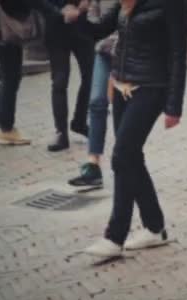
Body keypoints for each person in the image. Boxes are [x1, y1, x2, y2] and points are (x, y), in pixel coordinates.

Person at [72, 0, 187, 257]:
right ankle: (155, 227)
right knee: (131, 157)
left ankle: (115, 237)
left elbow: (179, 53)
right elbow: (98, 30)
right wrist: (78, 15)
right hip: (123, 85)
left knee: (122, 156)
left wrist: (174, 106)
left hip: (152, 86)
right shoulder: (124, 3)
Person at [0, 0, 73, 145]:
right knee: (11, 77)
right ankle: (6, 129)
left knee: (9, 76)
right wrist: (58, 12)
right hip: (4, 31)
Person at [68, 32, 119, 189]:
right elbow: (94, 18)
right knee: (97, 101)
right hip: (104, 47)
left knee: (123, 105)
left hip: (132, 49)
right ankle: (93, 167)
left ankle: (124, 162)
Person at [44, 0, 96, 152]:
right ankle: (61, 132)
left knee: (91, 77)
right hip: (56, 28)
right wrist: (60, 10)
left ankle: (79, 122)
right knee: (60, 82)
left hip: (81, 26)